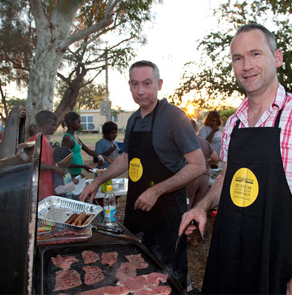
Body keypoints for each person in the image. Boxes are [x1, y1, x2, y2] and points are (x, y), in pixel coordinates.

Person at [179, 24, 292, 294]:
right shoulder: (233, 123)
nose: (246, 65)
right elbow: (226, 179)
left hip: (281, 261)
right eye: (238, 58)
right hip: (230, 255)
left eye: (255, 54)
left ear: (277, 58)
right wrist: (202, 205)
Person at [80, 60, 206, 289]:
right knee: (137, 271)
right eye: (135, 84)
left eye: (147, 84)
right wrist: (97, 180)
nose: (140, 91)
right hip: (137, 210)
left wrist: (156, 190)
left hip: (167, 213)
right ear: (129, 85)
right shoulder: (133, 119)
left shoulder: (175, 118)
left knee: (170, 276)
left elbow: (198, 165)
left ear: (158, 84)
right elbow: (125, 159)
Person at [186, 119, 219, 246]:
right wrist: (205, 163)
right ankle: (195, 239)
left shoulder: (183, 141)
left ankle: (183, 237)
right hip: (204, 177)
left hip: (190, 178)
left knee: (187, 207)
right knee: (199, 207)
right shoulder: (204, 142)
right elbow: (216, 158)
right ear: (196, 130)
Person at [28, 110, 64, 201]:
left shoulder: (44, 139)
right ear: (45, 124)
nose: (54, 128)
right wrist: (55, 168)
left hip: (48, 188)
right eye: (53, 125)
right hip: (42, 191)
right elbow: (37, 165)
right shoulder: (38, 141)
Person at [61, 112, 104, 177]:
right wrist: (83, 166)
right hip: (71, 174)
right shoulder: (67, 139)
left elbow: (88, 151)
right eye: (78, 122)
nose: (80, 125)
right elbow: (65, 161)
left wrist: (99, 157)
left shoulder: (75, 137)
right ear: (71, 123)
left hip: (77, 173)